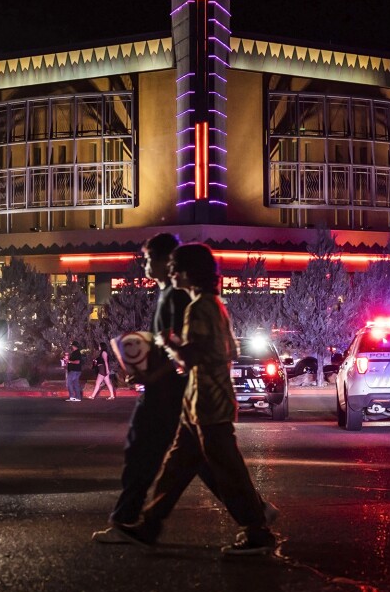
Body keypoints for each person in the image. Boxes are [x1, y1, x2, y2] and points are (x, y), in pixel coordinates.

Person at [110, 241, 279, 556]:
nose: (170, 272)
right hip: (197, 405)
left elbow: (196, 355)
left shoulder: (199, 306)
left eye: (175, 267)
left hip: (209, 405)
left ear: (189, 273)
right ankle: (148, 526)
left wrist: (169, 344)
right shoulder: (210, 303)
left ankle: (257, 531)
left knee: (228, 470)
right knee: (174, 469)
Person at [94, 233, 217, 541]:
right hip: (169, 391)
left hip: (167, 392)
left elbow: (181, 348)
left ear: (166, 262)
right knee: (196, 458)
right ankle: (253, 510)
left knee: (142, 452)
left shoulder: (176, 298)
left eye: (149, 259)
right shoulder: (167, 294)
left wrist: (151, 374)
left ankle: (126, 520)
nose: (146, 265)